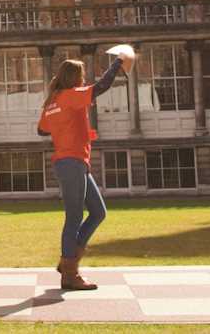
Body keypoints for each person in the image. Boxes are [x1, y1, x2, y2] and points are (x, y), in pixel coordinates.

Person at [37, 51, 133, 291]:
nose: (84, 80)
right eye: (81, 76)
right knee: (74, 217)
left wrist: (70, 129)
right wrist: (119, 62)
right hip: (71, 162)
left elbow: (42, 130)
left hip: (75, 161)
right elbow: (102, 86)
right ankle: (70, 274)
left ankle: (67, 261)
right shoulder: (71, 95)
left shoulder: (53, 101)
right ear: (74, 78)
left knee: (98, 212)